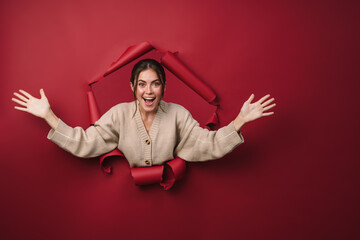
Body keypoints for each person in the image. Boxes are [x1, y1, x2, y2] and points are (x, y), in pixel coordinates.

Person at [12, 59, 276, 168]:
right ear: (132, 87)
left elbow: (206, 144)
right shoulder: (118, 115)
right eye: (142, 84)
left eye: (155, 83)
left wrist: (240, 121)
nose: (148, 91)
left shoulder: (178, 115)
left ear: (163, 87)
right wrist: (49, 115)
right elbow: (85, 143)